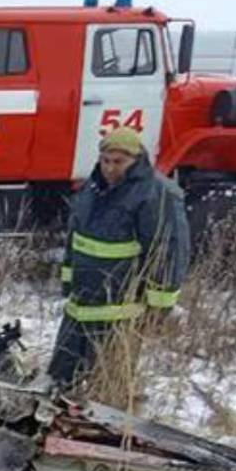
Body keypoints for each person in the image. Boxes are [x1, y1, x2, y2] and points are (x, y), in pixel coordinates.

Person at [48, 127, 190, 390]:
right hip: (78, 310)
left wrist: (159, 308)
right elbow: (74, 240)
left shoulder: (156, 195)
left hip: (119, 313)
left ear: (136, 161)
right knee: (56, 385)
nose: (111, 169)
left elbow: (168, 251)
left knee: (108, 391)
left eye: (119, 162)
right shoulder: (91, 189)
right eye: (106, 161)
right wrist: (67, 284)